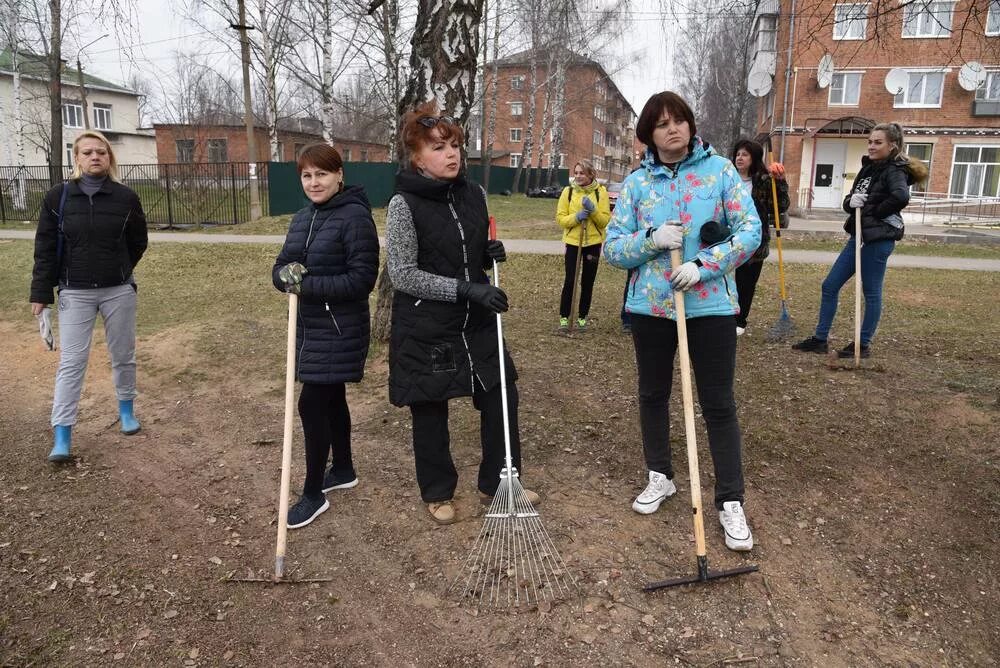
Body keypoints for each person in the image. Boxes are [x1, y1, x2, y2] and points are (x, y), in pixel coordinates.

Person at [603, 91, 761, 551]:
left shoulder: (721, 172)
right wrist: (653, 238)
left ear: (691, 125)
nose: (673, 129)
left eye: (680, 120)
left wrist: (704, 265)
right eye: (662, 124)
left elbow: (750, 232)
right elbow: (613, 248)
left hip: (709, 306)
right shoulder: (636, 185)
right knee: (653, 394)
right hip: (652, 308)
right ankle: (661, 475)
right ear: (648, 135)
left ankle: (730, 500)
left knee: (718, 402)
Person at [386, 102, 539, 525]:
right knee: (430, 407)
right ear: (417, 157)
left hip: (476, 322)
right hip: (427, 326)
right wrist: (465, 289)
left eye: (455, 145)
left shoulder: (476, 194)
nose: (451, 154)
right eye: (438, 147)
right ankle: (437, 492)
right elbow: (402, 274)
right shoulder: (404, 205)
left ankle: (501, 482)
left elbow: (471, 247)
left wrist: (490, 253)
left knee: (501, 395)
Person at [271, 143, 379, 529]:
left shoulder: (354, 218)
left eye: (321, 174)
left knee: (311, 405)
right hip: (308, 327)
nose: (314, 182)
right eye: (306, 175)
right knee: (331, 399)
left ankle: (313, 492)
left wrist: (307, 284)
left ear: (339, 175)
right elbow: (282, 265)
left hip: (339, 328)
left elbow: (362, 279)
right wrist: (283, 277)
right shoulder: (302, 218)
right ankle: (344, 469)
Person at [30, 130, 148, 462]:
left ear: (109, 158)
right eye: (87, 152)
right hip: (75, 292)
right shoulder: (58, 197)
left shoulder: (126, 197)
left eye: (101, 152)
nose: (95, 157)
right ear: (77, 159)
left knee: (123, 355)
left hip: (118, 291)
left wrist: (120, 267)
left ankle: (126, 412)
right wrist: (41, 293)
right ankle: (62, 434)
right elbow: (45, 248)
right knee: (72, 363)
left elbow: (138, 241)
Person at [792, 122, 927, 359]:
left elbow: (900, 196)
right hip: (858, 236)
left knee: (871, 292)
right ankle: (820, 339)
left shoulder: (895, 169)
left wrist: (874, 213)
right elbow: (849, 200)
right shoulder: (868, 169)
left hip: (877, 240)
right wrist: (850, 202)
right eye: (870, 142)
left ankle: (862, 344)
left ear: (892, 145)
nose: (872, 146)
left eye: (878, 142)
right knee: (830, 285)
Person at [731, 138, 790, 336]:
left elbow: (780, 206)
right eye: (738, 154)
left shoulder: (765, 180)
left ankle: (740, 320)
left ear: (754, 158)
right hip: (727, 237)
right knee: (725, 281)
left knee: (746, 283)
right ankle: (722, 316)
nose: (740, 158)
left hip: (754, 239)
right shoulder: (727, 177)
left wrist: (780, 181)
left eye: (745, 154)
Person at [555, 159, 611, 332]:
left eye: (582, 173)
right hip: (573, 242)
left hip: (593, 243)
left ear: (591, 174)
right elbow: (560, 219)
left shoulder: (601, 193)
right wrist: (577, 217)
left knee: (588, 282)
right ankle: (564, 317)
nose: (578, 176)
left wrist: (593, 211)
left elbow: (604, 222)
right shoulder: (568, 192)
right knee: (570, 280)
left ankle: (582, 318)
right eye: (576, 172)